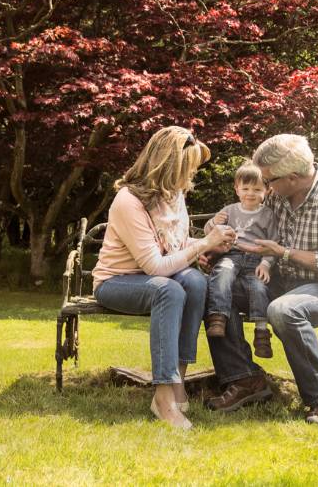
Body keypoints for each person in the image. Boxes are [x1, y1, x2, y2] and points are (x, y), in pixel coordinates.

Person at [204, 134, 318, 427]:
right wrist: (213, 247)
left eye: (268, 181)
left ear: (292, 177)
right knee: (211, 290)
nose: (264, 187)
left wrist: (283, 252)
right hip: (276, 281)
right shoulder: (278, 196)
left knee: (283, 309)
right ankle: (245, 379)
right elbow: (239, 224)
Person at [92, 126, 237, 430]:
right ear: (168, 165)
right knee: (168, 290)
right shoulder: (128, 200)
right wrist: (204, 242)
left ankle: (177, 381)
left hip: (156, 279)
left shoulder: (174, 195)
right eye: (188, 168)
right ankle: (162, 396)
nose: (191, 176)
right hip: (116, 282)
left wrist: (206, 247)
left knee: (196, 282)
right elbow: (154, 267)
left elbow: (177, 247)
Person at [203, 162, 278, 360]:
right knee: (222, 272)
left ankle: (262, 333)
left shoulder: (268, 215)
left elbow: (274, 244)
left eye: (257, 189)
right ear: (237, 189)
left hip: (256, 260)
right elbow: (209, 233)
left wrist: (266, 264)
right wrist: (213, 223)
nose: (250, 193)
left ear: (267, 191)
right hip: (232, 255)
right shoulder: (229, 210)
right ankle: (218, 317)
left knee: (259, 287)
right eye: (245, 188)